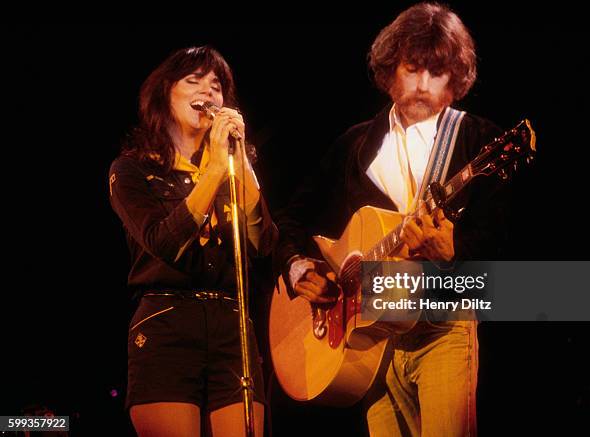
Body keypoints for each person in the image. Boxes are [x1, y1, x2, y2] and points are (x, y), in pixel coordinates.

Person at [275, 3, 508, 436]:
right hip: (370, 345)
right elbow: (290, 219)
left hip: (444, 325)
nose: (421, 85)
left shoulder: (479, 141)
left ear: (456, 81)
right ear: (388, 70)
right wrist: (298, 267)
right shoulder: (355, 144)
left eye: (436, 73)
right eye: (411, 68)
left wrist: (456, 253)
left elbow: (510, 249)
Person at [109, 45, 276, 437]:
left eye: (217, 86)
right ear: (165, 92)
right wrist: (215, 170)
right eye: (194, 81)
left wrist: (237, 162)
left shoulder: (232, 165)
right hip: (166, 323)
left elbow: (264, 245)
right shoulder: (133, 170)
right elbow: (164, 243)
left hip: (232, 325)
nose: (209, 92)